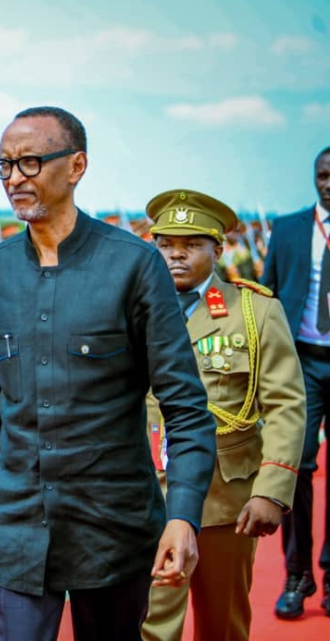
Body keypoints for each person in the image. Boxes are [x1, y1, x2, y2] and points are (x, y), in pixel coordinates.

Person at [0, 106, 216, 641]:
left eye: (30, 162)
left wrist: (183, 516)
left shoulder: (134, 265)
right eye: (4, 166)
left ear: (76, 166)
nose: (14, 179)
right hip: (13, 527)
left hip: (112, 527)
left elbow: (186, 409)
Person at [141, 189, 306, 641]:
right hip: (147, 491)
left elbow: (287, 404)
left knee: (223, 625)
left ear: (218, 248)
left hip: (224, 499)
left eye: (191, 244)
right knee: (150, 623)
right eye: (165, 244)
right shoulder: (131, 308)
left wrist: (272, 490)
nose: (176, 255)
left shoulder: (254, 311)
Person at [262, 144, 330, 619]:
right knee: (295, 469)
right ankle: (296, 574)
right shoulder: (287, 229)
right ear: (314, 178)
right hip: (301, 363)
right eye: (324, 175)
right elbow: (265, 296)